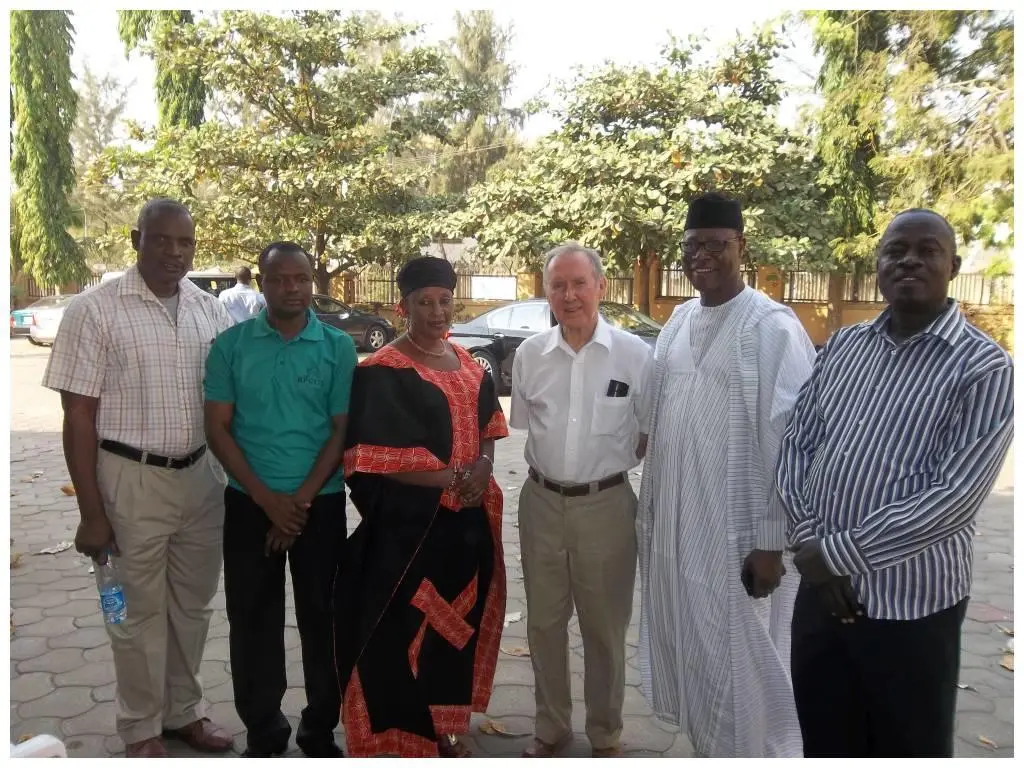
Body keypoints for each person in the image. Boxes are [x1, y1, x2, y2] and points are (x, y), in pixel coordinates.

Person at [777, 208, 1014, 758]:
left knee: (908, 745)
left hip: (911, 605)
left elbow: (955, 495)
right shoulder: (845, 346)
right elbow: (797, 443)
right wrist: (812, 542)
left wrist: (837, 554)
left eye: (927, 251)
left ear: (953, 266)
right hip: (821, 595)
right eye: (895, 250)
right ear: (879, 265)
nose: (909, 260)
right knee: (825, 737)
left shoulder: (983, 368)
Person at [42, 198, 235, 757]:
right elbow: (78, 416)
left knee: (192, 609)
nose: (175, 252)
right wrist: (91, 513)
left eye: (185, 242)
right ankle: (141, 726)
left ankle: (183, 712)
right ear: (136, 240)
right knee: (132, 613)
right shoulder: (94, 310)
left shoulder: (208, 310)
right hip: (129, 481)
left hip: (201, 480)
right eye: (162, 239)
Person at [635, 192, 813, 758]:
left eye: (715, 244)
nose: (701, 256)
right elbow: (653, 422)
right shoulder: (677, 322)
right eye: (692, 246)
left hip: (739, 539)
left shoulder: (771, 328)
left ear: (742, 247)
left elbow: (793, 444)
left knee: (746, 664)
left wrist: (771, 543)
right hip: (678, 532)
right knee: (697, 656)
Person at [332, 256, 508, 758]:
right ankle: (400, 731)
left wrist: (482, 468)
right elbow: (371, 457)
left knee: (457, 624)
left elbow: (489, 429)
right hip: (409, 531)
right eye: (424, 302)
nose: (436, 312)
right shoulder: (383, 371)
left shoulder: (470, 365)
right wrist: (454, 477)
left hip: (467, 527)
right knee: (404, 627)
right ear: (402, 307)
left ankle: (445, 726)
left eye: (444, 301)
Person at [203, 242, 357, 757]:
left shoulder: (337, 347)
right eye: (279, 279)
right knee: (252, 620)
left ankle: (319, 729)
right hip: (249, 503)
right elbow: (218, 429)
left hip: (320, 503)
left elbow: (341, 431)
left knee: (324, 618)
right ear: (262, 284)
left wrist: (297, 505)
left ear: (311, 282)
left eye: (301, 278)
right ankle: (264, 733)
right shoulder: (231, 346)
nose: (291, 288)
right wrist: (268, 501)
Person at [510, 243, 653, 758]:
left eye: (578, 284)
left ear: (601, 287)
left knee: (605, 627)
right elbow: (526, 425)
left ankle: (605, 733)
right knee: (544, 623)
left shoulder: (635, 355)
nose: (568, 295)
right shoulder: (529, 356)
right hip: (541, 503)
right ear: (546, 292)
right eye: (557, 285)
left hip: (606, 506)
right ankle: (551, 727)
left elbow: (647, 433)